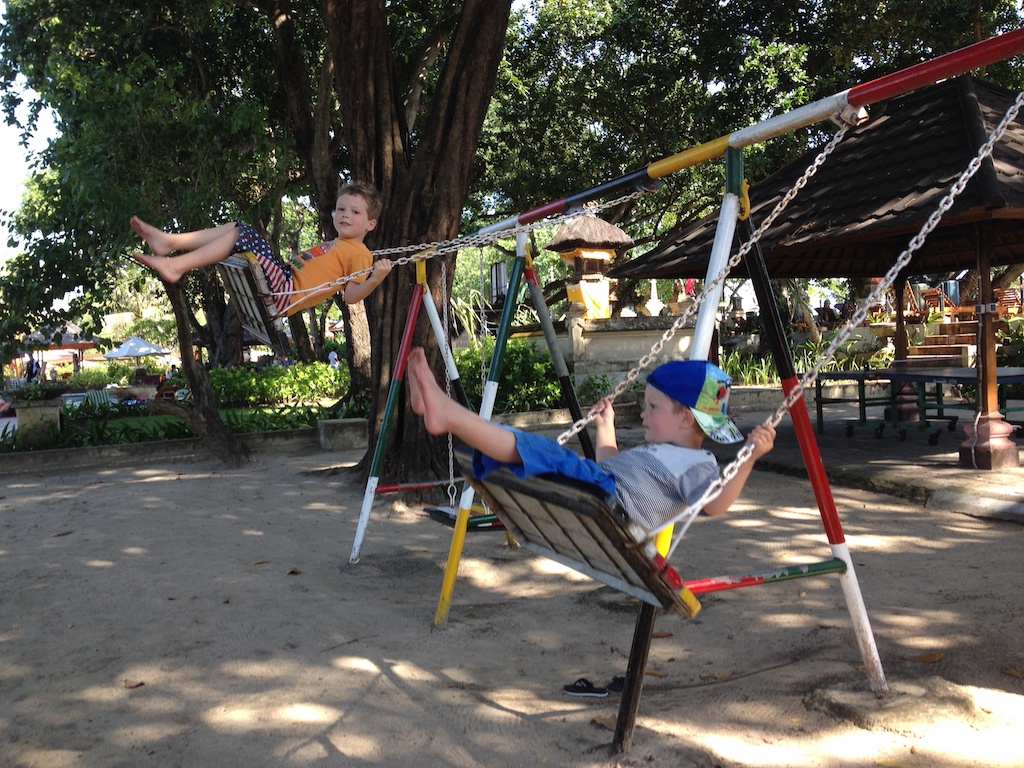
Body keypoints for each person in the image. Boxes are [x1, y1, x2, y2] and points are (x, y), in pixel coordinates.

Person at [406, 347, 775, 532]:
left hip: (607, 502)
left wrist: (748, 457)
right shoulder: (659, 454)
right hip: (600, 488)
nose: (643, 414)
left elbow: (716, 504)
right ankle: (445, 413)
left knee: (539, 451)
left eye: (653, 407)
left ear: (685, 417)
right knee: (527, 450)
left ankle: (448, 414)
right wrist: (606, 427)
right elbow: (608, 464)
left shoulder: (698, 466)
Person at [129, 181, 393, 317]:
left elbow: (351, 296)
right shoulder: (338, 243)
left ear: (371, 223)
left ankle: (176, 263)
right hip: (284, 279)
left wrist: (376, 277)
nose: (345, 215)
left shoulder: (360, 253)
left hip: (286, 291)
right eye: (342, 208)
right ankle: (170, 242)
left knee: (242, 233)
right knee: (238, 227)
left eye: (355, 212)